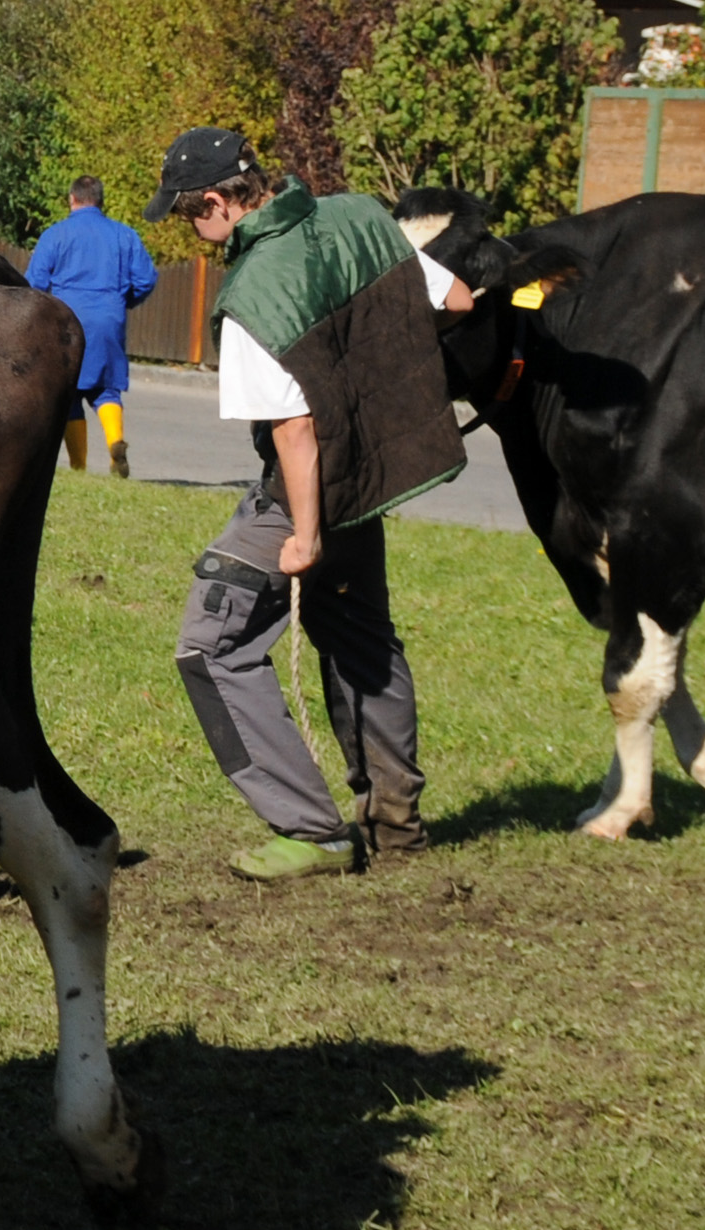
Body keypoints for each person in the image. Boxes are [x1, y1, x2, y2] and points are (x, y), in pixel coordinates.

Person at [158, 129, 473, 882]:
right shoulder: (361, 216)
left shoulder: (252, 294)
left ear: (217, 202)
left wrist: (303, 534)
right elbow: (458, 300)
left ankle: (311, 828)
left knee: (210, 646)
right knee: (360, 642)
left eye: (187, 214)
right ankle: (396, 827)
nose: (190, 230)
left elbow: (295, 428)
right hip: (371, 480)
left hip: (309, 495)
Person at [26, 174, 157, 477]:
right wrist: (123, 302)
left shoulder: (55, 235)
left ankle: (78, 467)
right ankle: (115, 444)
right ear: (100, 200)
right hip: (109, 319)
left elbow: (34, 283)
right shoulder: (125, 235)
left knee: (69, 394)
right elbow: (146, 279)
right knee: (106, 390)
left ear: (72, 199)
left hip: (66, 320)